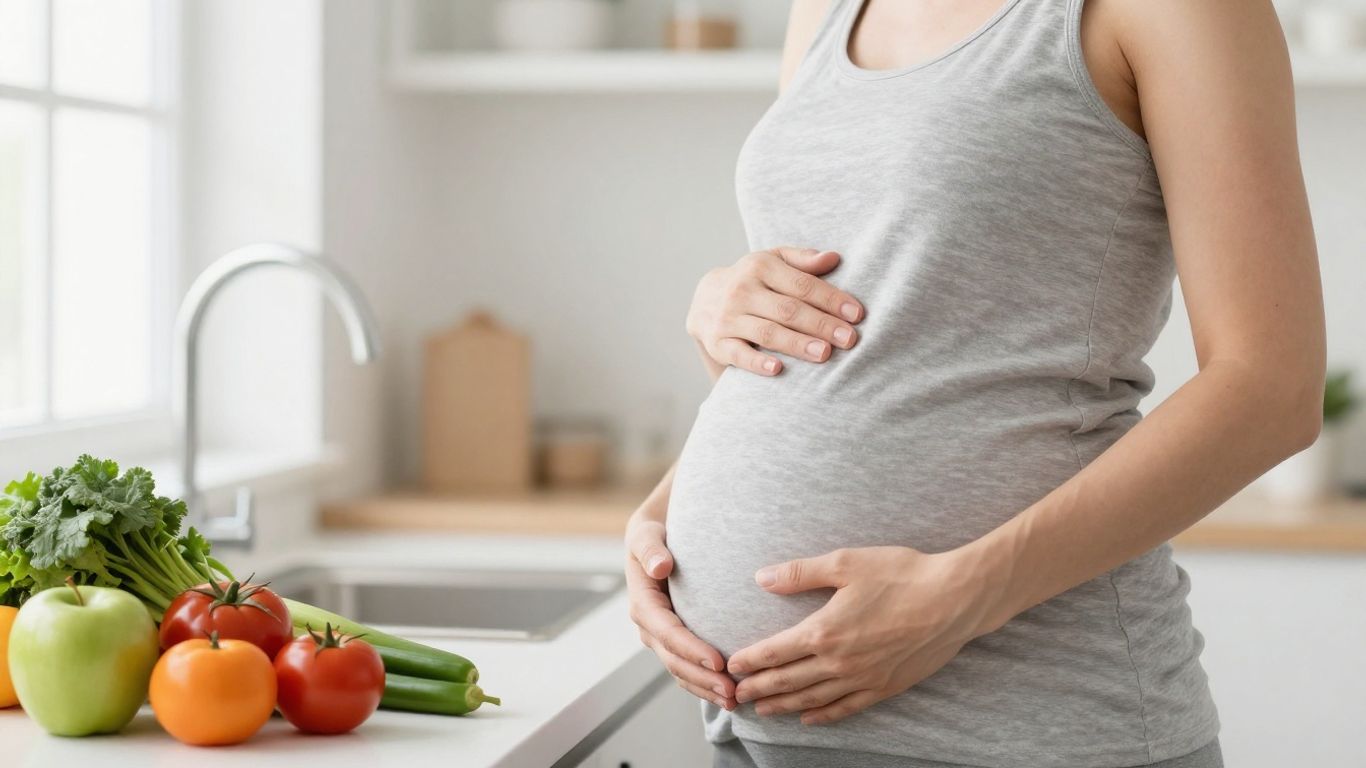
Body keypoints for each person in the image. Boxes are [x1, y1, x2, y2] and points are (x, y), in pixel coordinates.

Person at [624, 0, 1324, 766]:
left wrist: (960, 600)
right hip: (755, 725)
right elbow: (860, 335)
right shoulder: (826, 8)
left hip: (1025, 726)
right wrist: (668, 511)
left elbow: (1271, 389)